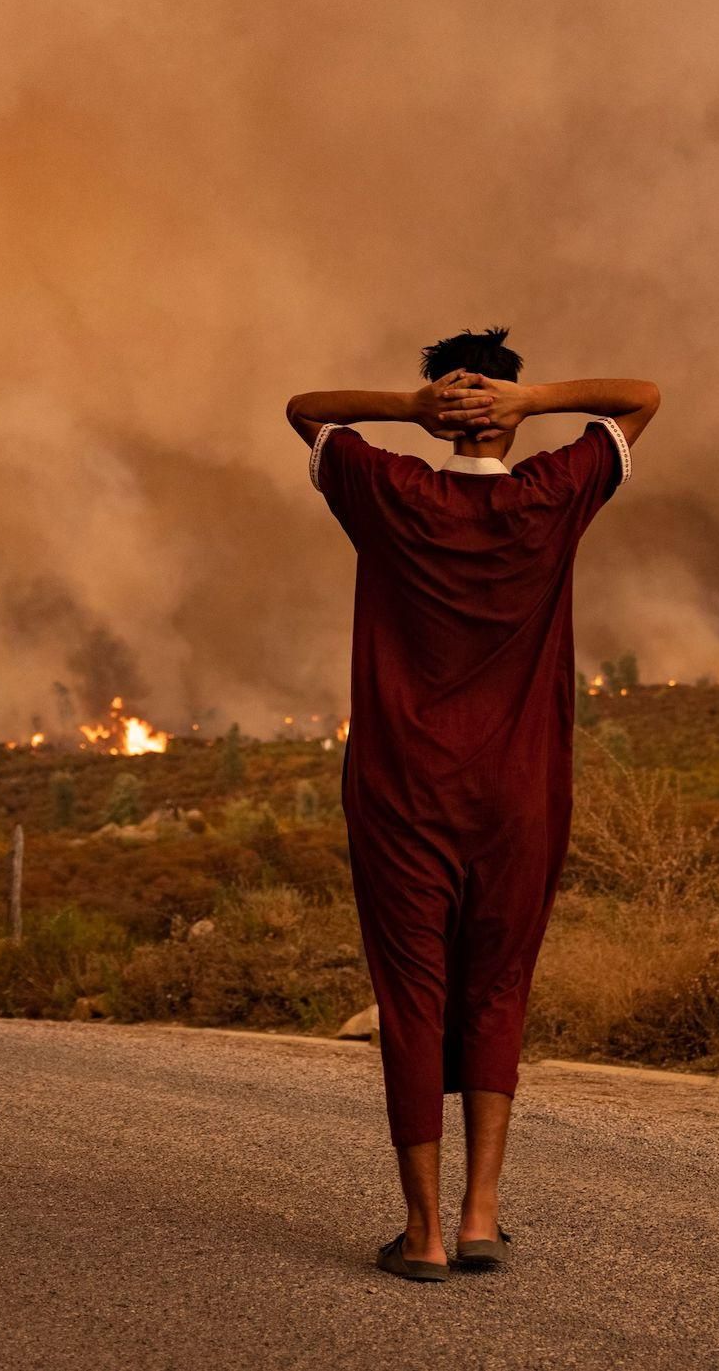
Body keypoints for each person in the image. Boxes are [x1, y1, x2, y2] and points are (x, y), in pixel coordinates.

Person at [286, 328, 660, 1283]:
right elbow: (642, 396)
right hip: (519, 796)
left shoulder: (390, 491)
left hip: (404, 793)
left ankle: (423, 1236)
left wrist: (407, 412)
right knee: (498, 988)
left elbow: (304, 411)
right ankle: (483, 1216)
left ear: (445, 405)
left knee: (412, 998)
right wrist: (535, 405)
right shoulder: (553, 495)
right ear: (506, 405)